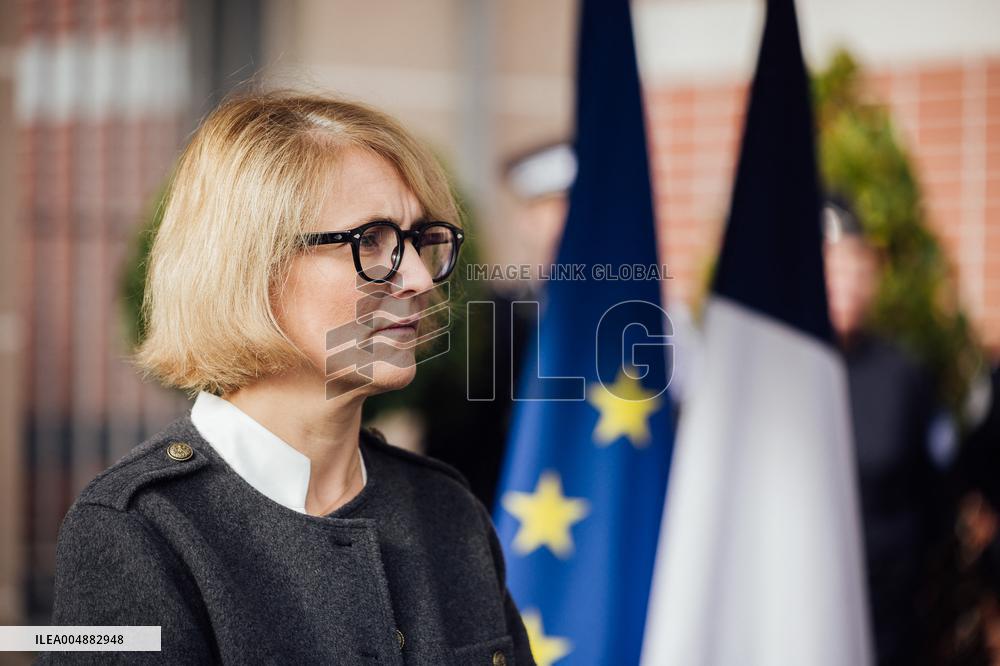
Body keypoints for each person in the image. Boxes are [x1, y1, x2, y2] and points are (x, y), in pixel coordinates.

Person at [40, 92, 535, 665]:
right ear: (251, 264)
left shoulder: (447, 511)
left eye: (421, 240)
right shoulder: (136, 528)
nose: (421, 278)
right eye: (371, 240)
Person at [823, 198, 949, 666]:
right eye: (835, 266)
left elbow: (935, 496)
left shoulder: (903, 377)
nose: (849, 283)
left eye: (858, 266)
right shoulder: (778, 375)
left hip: (886, 619)